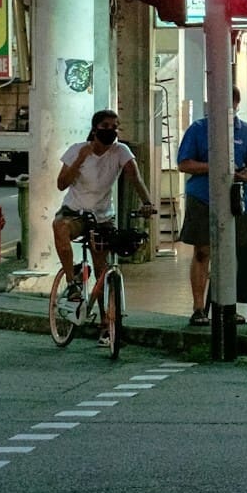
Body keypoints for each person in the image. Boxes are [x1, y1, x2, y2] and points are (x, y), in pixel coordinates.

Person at [53, 110, 155, 337]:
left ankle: (105, 322)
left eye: (115, 126)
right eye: (106, 126)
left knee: (102, 269)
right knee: (60, 227)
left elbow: (135, 178)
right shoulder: (77, 150)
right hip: (76, 212)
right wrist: (80, 159)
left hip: (102, 216)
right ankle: (72, 283)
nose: (111, 131)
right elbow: (61, 184)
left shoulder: (121, 151)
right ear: (95, 128)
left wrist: (147, 202)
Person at [176, 88, 247, 327]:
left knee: (231, 253)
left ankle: (227, 305)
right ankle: (198, 307)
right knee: (202, 251)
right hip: (202, 197)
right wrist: (214, 167)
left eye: (229, 102)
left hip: (236, 197)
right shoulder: (198, 129)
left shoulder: (245, 132)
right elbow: (184, 164)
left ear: (236, 103)